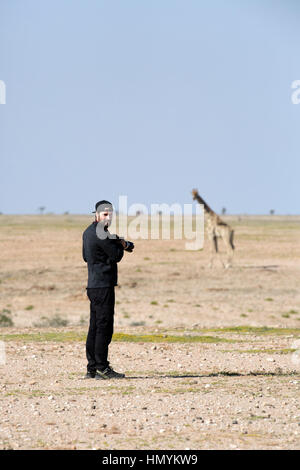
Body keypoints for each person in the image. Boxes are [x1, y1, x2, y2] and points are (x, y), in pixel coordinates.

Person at [82, 200, 134, 379]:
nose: (108, 217)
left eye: (110, 214)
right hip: (103, 286)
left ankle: (92, 368)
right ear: (96, 215)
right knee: (104, 327)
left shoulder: (88, 232)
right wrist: (122, 245)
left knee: (95, 327)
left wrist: (115, 242)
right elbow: (117, 255)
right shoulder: (101, 233)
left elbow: (85, 256)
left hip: (93, 285)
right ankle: (102, 368)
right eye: (105, 214)